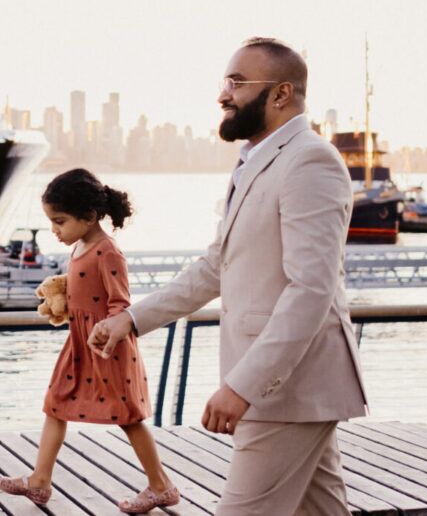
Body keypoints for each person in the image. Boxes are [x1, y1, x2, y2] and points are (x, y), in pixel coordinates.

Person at [89, 37, 368, 514]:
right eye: (225, 81)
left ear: (280, 94)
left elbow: (311, 290)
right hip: (298, 391)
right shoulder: (255, 161)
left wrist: (242, 386)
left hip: (286, 390)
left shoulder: (310, 161)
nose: (224, 94)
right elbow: (216, 266)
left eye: (237, 82)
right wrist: (132, 319)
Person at [0, 168, 180, 513]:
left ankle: (161, 486)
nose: (54, 230)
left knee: (128, 416)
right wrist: (63, 292)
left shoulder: (108, 251)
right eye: (52, 221)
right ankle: (39, 481)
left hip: (106, 347)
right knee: (55, 403)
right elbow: (83, 284)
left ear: (90, 216)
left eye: (59, 221)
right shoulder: (81, 245)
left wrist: (105, 327)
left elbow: (120, 302)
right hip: (78, 344)